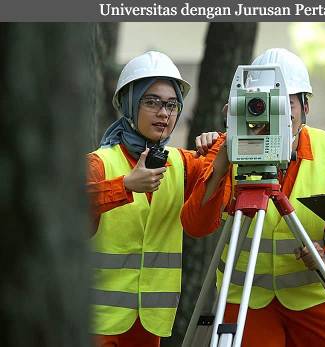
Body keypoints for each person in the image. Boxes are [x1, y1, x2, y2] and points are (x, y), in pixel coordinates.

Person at [180, 48, 325, 347]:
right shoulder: (228, 149)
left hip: (314, 299)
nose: (276, 112)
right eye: (263, 103)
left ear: (305, 106)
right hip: (246, 302)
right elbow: (196, 226)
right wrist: (221, 162)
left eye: (286, 101)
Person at [87, 51, 223, 347]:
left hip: (151, 322)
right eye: (151, 102)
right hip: (95, 320)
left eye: (172, 104)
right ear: (129, 104)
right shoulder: (98, 163)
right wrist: (125, 185)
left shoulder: (185, 164)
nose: (164, 113)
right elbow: (69, 212)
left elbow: (203, 222)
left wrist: (219, 143)